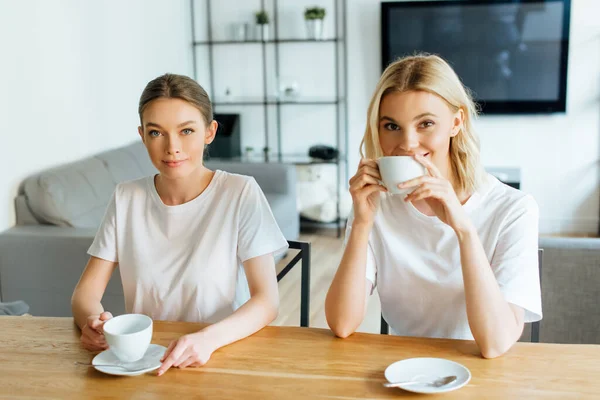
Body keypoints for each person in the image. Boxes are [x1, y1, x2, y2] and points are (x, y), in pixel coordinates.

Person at [325, 54, 541, 358]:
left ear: (456, 122)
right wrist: (361, 223)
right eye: (392, 126)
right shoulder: (376, 205)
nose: (408, 143)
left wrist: (463, 229)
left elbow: (494, 344)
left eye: (425, 123)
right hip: (404, 371)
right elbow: (342, 323)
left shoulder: (514, 209)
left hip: (482, 371)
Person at [71, 73, 287, 375]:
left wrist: (208, 340)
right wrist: (93, 322)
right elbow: (85, 295)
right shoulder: (126, 197)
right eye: (156, 133)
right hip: (143, 362)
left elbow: (267, 302)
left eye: (186, 131)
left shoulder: (239, 193)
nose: (172, 147)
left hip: (215, 354)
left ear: (210, 132)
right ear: (143, 135)